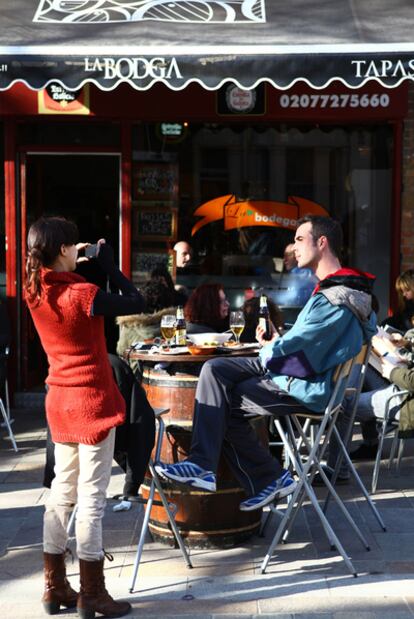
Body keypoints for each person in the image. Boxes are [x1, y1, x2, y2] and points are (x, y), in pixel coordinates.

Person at [155, 215, 377, 512]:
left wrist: (274, 347)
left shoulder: (337, 297)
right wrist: (277, 341)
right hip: (297, 369)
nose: (293, 246)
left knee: (223, 395)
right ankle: (212, 468)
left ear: (321, 243)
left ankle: (262, 476)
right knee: (216, 369)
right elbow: (308, 342)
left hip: (304, 383)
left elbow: (305, 353)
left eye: (299, 239)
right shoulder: (337, 292)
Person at [25, 217, 144, 618]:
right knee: (91, 500)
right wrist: (110, 266)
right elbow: (138, 302)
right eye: (74, 246)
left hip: (59, 400)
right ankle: (92, 594)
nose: (79, 250)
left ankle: (54, 585)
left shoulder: (34, 290)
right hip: (91, 402)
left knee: (62, 492)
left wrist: (90, 266)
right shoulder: (83, 293)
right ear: (62, 250)